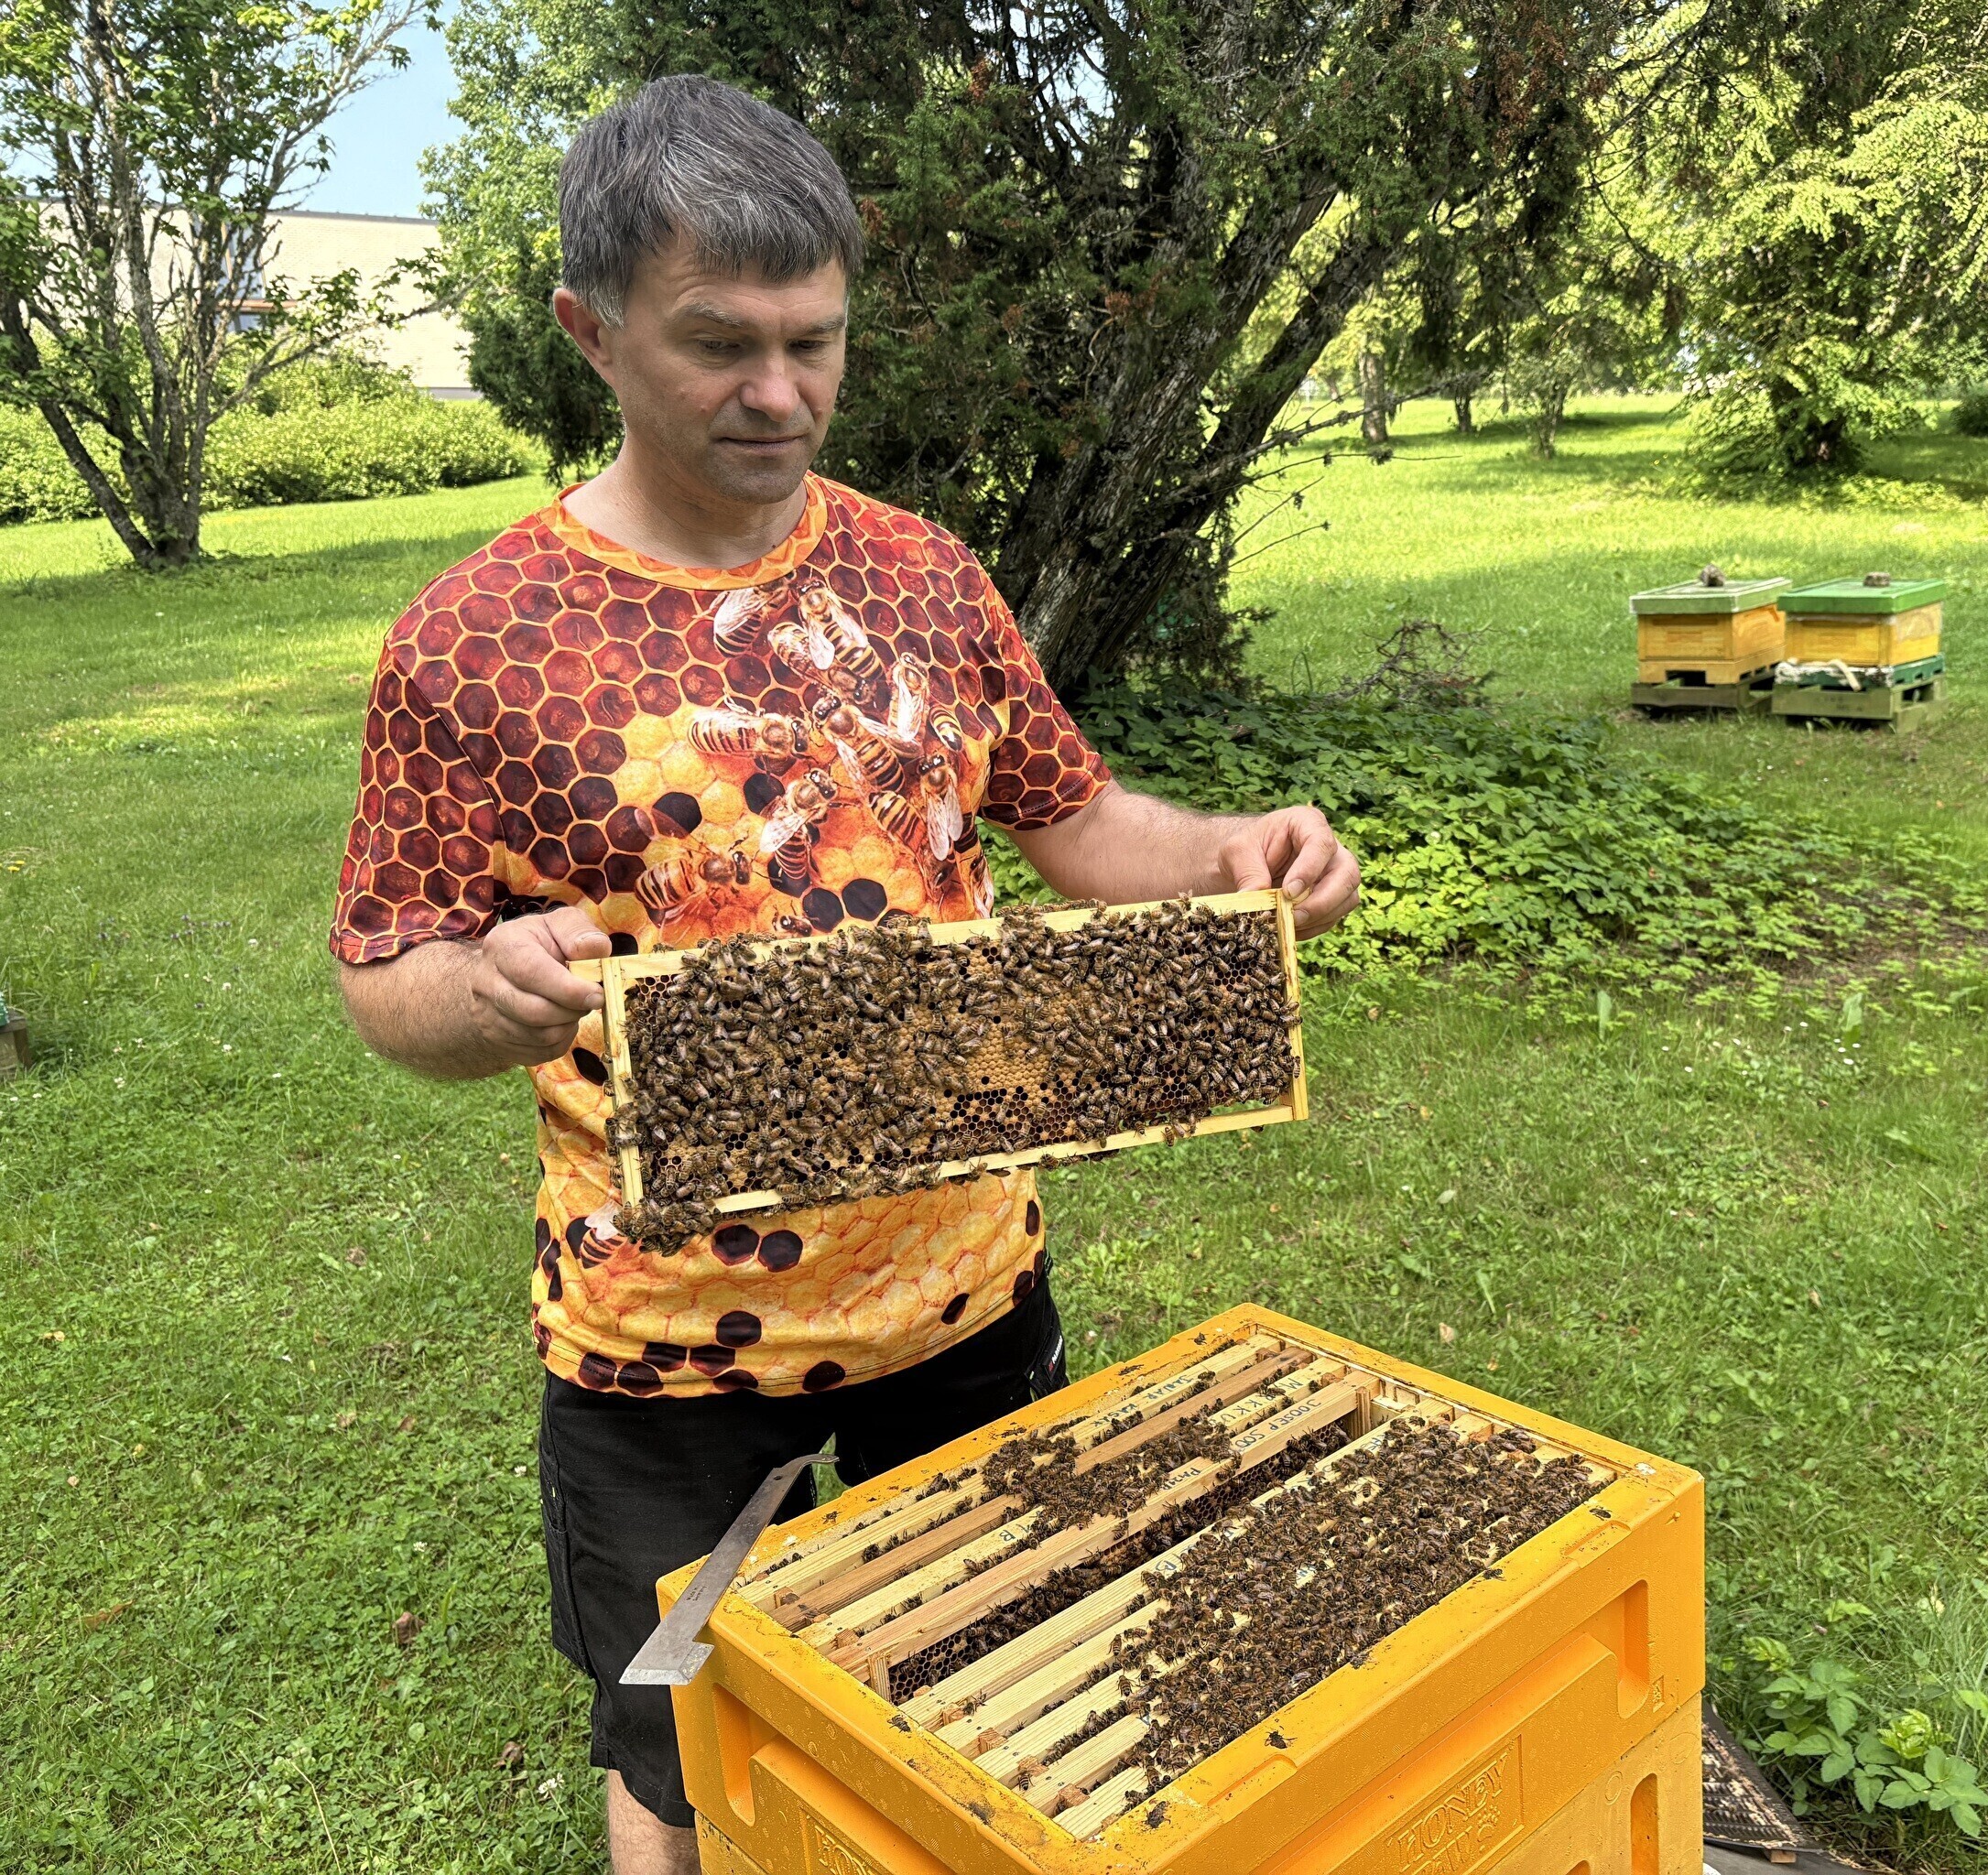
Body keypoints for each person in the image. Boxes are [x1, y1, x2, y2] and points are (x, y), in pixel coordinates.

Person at [330, 73, 1358, 1875]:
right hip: (664, 1347)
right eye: (720, 345)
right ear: (591, 331)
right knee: (678, 1740)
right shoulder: (473, 643)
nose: (780, 394)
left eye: (813, 342)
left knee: (982, 1692)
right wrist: (476, 990)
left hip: (962, 1294)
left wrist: (1231, 855)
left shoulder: (924, 578)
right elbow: (384, 965)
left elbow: (1079, 818)